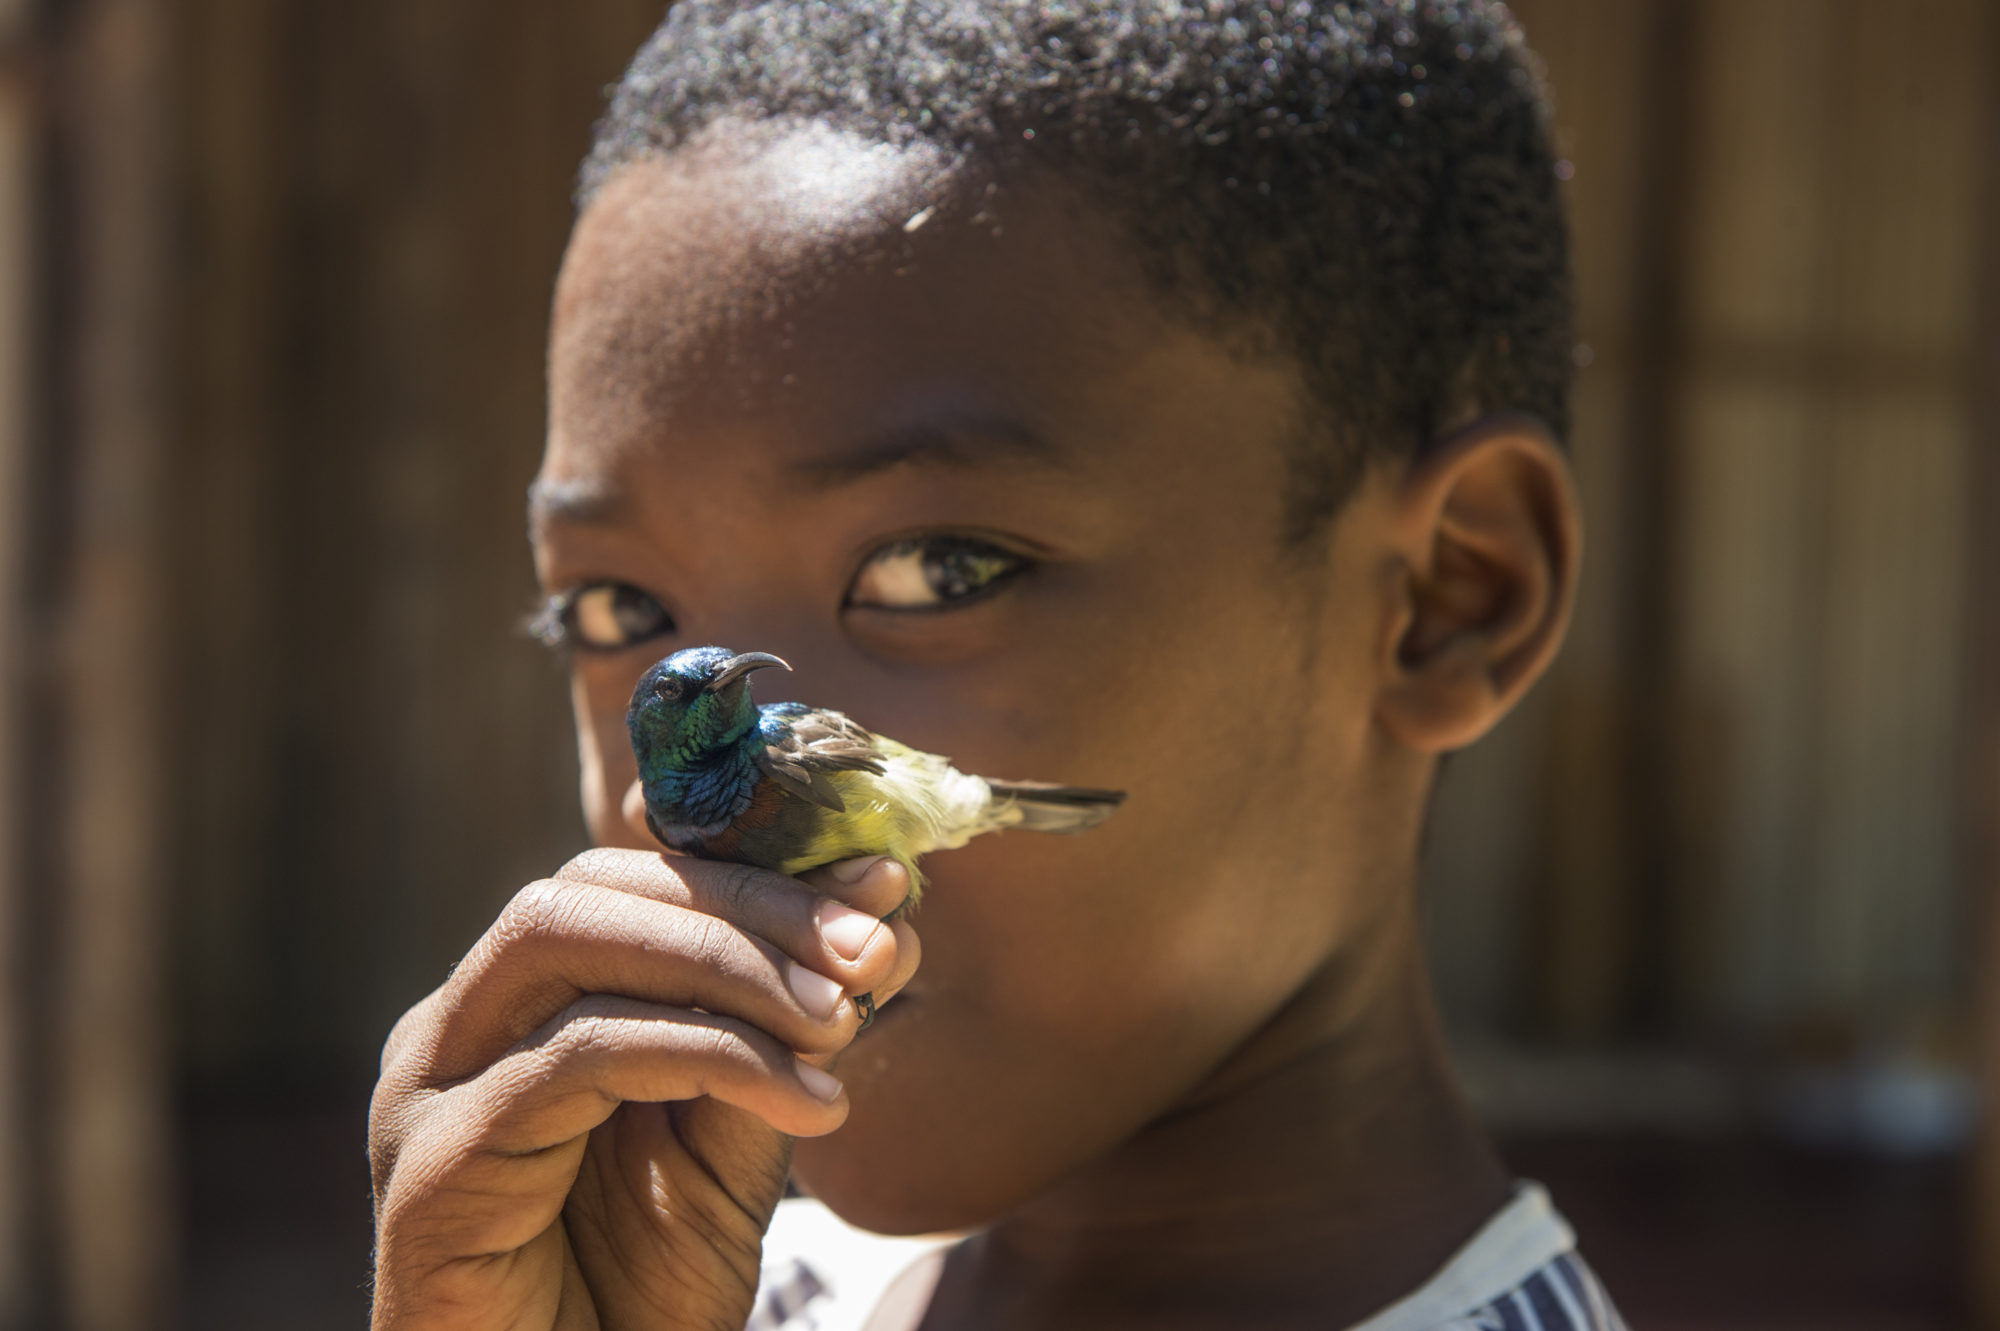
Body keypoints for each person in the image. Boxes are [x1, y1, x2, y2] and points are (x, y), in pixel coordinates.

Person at [367, 2, 1624, 1326]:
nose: (684, 821)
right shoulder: (726, 1301)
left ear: (1447, 598)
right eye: (619, 607)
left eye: (938, 571)